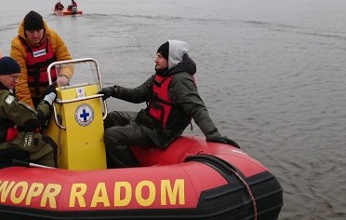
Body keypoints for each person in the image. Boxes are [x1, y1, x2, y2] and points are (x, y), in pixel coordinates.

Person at [98, 40, 240, 168]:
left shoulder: (180, 81)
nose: (155, 60)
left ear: (171, 59)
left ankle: (133, 171)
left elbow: (196, 108)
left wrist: (212, 134)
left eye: (160, 57)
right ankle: (107, 160)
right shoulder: (162, 74)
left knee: (111, 136)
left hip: (160, 132)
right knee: (112, 117)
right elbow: (137, 95)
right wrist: (114, 91)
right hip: (149, 121)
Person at [10, 10, 73, 108]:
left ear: (43, 29)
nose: (35, 35)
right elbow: (20, 82)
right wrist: (30, 111)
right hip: (33, 96)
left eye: (38, 31)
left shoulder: (53, 37)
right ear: (25, 32)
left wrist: (65, 75)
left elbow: (66, 59)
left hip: (55, 90)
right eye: (31, 32)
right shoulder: (18, 46)